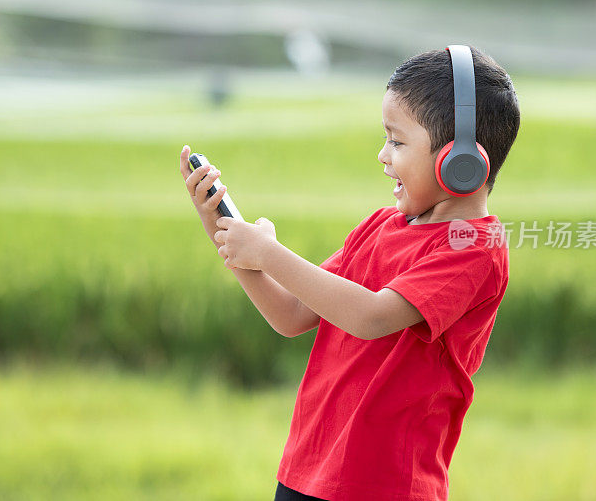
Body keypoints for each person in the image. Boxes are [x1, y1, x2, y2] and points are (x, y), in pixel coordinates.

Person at [178, 45, 520, 501]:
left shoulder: (474, 248)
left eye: (397, 142)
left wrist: (270, 253)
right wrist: (225, 233)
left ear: (460, 160)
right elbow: (291, 315)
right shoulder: (379, 227)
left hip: (385, 487)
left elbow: (372, 318)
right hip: (308, 470)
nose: (383, 155)